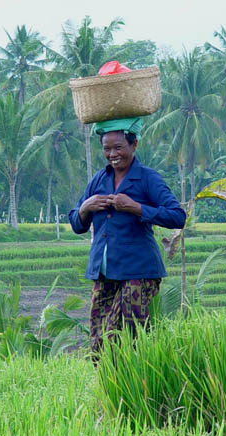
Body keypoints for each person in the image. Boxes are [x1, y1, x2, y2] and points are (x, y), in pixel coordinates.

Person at [69, 117, 186, 354]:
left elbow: (177, 216)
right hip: (104, 271)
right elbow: (76, 224)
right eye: (106, 149)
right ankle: (109, 387)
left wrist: (136, 208)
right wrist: (85, 208)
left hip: (138, 271)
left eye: (118, 147)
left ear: (134, 146)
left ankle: (138, 385)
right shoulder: (99, 180)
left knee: (126, 336)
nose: (112, 154)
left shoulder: (147, 178)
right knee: (98, 340)